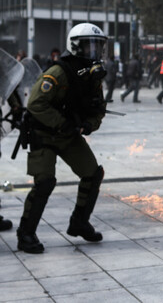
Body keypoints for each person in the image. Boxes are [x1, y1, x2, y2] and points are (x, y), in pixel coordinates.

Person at [17, 23, 107, 254]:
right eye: (89, 46)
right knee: (45, 182)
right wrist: (63, 123)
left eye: (98, 46)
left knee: (92, 173)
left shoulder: (93, 76)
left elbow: (98, 109)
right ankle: (26, 233)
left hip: (68, 135)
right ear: (76, 46)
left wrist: (88, 125)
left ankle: (79, 222)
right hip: (44, 134)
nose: (94, 51)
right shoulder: (58, 72)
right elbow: (35, 103)